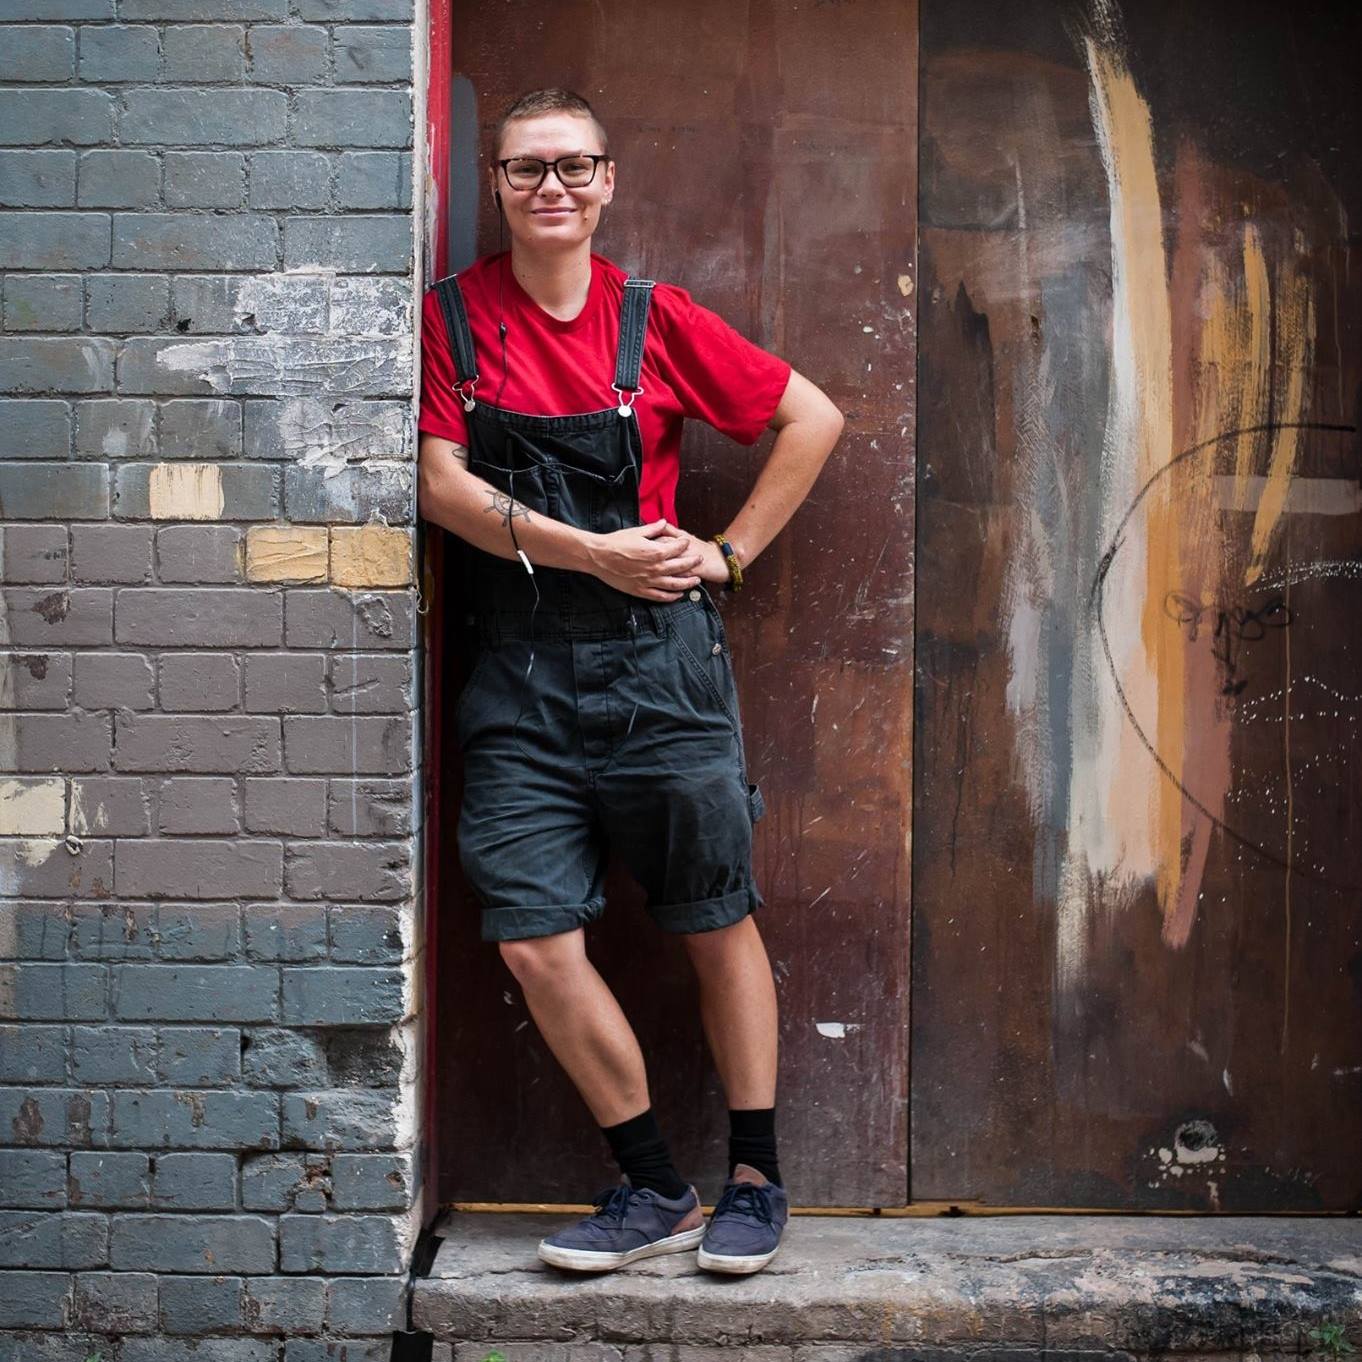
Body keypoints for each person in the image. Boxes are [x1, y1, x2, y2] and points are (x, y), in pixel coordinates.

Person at [417, 88, 843, 1276]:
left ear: (608, 183)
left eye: (571, 167)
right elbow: (441, 490)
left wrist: (731, 553)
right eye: (522, 170)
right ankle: (654, 1187)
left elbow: (811, 418)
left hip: (663, 673)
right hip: (521, 681)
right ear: (495, 188)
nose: (548, 187)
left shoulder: (656, 319)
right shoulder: (449, 322)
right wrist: (594, 549)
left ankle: (754, 1177)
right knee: (535, 936)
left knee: (713, 915)